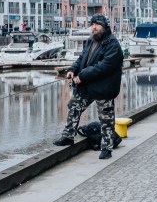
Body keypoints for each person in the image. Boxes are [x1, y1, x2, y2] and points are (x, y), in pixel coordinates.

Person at [53, 13, 124, 159]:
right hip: (89, 86)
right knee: (74, 106)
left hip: (104, 88)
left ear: (104, 26)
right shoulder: (90, 41)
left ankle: (106, 148)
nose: (94, 27)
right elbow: (81, 59)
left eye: (97, 25)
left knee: (106, 119)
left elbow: (103, 67)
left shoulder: (113, 45)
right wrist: (72, 70)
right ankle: (68, 136)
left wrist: (82, 76)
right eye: (92, 25)